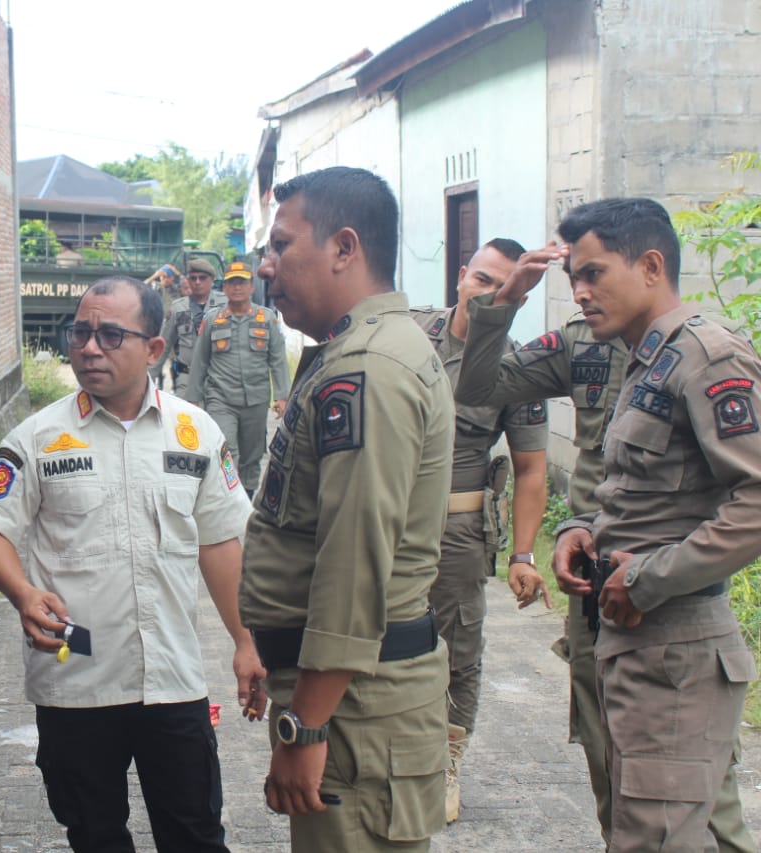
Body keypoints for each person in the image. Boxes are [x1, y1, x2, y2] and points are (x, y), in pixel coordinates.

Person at [453, 221, 758, 853]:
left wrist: (648, 579)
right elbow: (480, 388)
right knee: (627, 804)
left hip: (669, 626)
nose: (581, 293)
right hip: (607, 615)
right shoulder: (609, 350)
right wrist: (578, 526)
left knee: (676, 820)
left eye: (594, 274)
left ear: (650, 266)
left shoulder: (705, 355)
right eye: (573, 278)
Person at [0, 275, 268, 852]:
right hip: (76, 678)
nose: (89, 348)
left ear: (154, 349)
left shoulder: (195, 432)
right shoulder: (39, 438)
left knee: (196, 836)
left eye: (109, 335)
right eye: (80, 333)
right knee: (95, 836)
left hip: (172, 680)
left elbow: (222, 543)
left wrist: (244, 641)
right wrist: (23, 593)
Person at [240, 166, 454, 853]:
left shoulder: (368, 367)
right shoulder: (349, 353)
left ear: (344, 247)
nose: (267, 267)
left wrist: (304, 726)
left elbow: (353, 560)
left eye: (282, 245)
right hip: (351, 702)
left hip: (356, 711)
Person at [409, 238, 549, 824]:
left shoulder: (515, 367)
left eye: (501, 286)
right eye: (482, 279)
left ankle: (447, 762)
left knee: (457, 648)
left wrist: (523, 554)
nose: (487, 292)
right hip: (382, 522)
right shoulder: (408, 333)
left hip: (456, 529)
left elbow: (532, 468)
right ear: (462, 275)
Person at [186, 260, 292, 497]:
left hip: (256, 400)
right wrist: (193, 399)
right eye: (232, 282)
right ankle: (229, 498)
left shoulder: (267, 319)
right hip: (220, 398)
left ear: (251, 286)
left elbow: (278, 360)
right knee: (226, 450)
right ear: (224, 288)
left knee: (252, 456)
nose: (237, 288)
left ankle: (247, 496)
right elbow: (200, 361)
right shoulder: (213, 319)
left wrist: (283, 396)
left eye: (242, 282)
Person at [150, 257, 227, 397]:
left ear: (212, 279)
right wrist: (149, 376)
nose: (197, 282)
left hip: (218, 379)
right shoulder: (179, 307)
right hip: (187, 378)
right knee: (184, 418)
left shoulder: (226, 305)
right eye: (193, 278)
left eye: (202, 278)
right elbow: (164, 344)